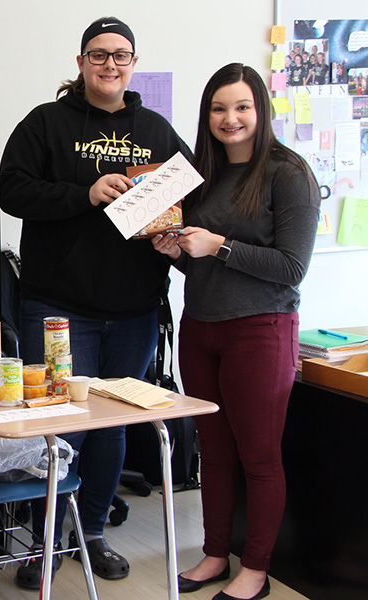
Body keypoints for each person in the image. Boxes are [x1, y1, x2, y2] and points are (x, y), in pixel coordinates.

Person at [0, 16, 190, 588]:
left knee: (111, 428)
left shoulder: (156, 129)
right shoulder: (45, 123)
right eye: (99, 54)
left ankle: (94, 534)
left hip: (134, 309)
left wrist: (173, 230)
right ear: (81, 62)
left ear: (134, 64)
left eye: (122, 55)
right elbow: (11, 190)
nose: (111, 64)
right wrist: (85, 192)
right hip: (59, 307)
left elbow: (187, 194)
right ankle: (46, 542)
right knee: (59, 426)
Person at [153, 63, 319, 600]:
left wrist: (218, 244)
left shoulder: (287, 173)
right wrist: (179, 252)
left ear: (260, 111)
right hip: (201, 328)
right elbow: (203, 265)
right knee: (213, 453)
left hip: (261, 331)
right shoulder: (199, 173)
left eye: (242, 107)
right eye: (219, 108)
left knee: (259, 456)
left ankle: (256, 569)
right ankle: (213, 554)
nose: (230, 119)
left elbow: (292, 267)